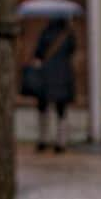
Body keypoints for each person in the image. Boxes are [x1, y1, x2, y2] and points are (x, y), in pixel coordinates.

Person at [31, 17, 76, 152]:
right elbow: (72, 50)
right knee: (61, 110)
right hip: (63, 75)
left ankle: (43, 139)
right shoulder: (68, 34)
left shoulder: (46, 32)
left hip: (46, 75)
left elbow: (38, 53)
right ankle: (60, 142)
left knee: (43, 108)